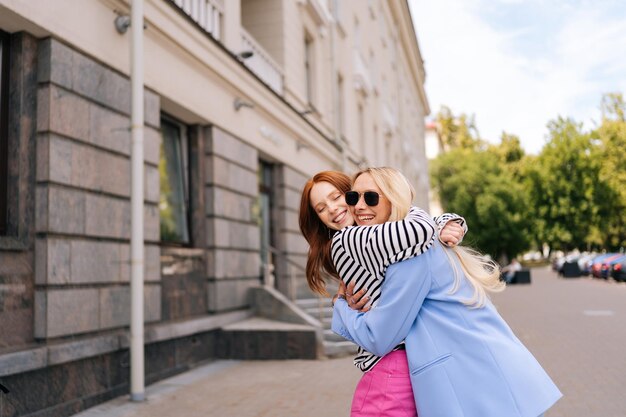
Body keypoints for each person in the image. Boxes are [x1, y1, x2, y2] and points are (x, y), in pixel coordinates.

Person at [330, 167, 562, 417]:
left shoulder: (411, 257)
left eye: (371, 197)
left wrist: (341, 306)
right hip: (491, 372)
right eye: (353, 198)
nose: (359, 206)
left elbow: (379, 337)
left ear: (394, 199)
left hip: (477, 382)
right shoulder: (414, 242)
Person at [299, 169, 467, 416]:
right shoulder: (349, 240)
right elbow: (418, 230)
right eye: (321, 208)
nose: (333, 209)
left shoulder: (378, 235)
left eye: (337, 197)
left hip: (404, 367)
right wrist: (440, 222)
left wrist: (448, 223)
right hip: (389, 369)